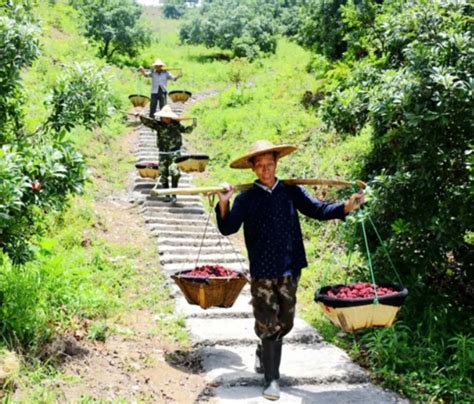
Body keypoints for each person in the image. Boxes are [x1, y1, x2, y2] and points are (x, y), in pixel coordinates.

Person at [215, 140, 364, 401]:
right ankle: (272, 379)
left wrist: (345, 207)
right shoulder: (246, 198)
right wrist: (224, 203)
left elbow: (317, 210)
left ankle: (264, 350)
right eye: (260, 166)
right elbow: (228, 228)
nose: (265, 170)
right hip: (262, 269)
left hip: (289, 266)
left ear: (276, 164)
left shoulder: (291, 192)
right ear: (252, 168)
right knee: (267, 321)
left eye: (269, 164)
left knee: (286, 321)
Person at [154, 105, 196, 203]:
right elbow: (147, 121)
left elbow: (186, 130)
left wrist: (193, 124)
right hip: (163, 153)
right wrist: (139, 116)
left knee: (174, 171)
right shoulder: (158, 125)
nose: (166, 119)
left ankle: (174, 195)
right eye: (164, 117)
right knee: (163, 174)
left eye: (168, 117)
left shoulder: (176, 124)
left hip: (175, 152)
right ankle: (167, 195)